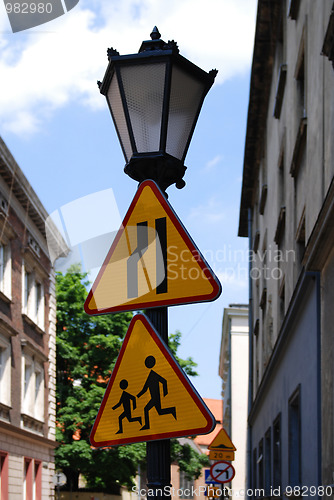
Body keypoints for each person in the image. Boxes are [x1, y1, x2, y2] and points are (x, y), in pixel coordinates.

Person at [137, 355, 176, 430]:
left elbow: (164, 381)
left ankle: (147, 425)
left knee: (146, 409)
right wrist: (139, 395)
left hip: (156, 397)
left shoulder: (153, 375)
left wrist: (165, 392)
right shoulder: (150, 375)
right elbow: (145, 388)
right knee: (160, 411)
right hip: (154, 397)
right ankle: (172, 410)